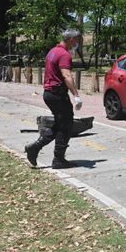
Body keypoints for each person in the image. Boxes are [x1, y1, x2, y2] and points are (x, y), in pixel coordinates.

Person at [25, 29, 83, 169]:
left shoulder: (52, 51)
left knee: (60, 124)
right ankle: (58, 159)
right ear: (70, 39)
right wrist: (76, 95)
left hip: (49, 93)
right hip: (57, 95)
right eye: (76, 40)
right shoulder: (64, 54)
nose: (77, 43)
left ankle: (36, 148)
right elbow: (67, 76)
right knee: (66, 126)